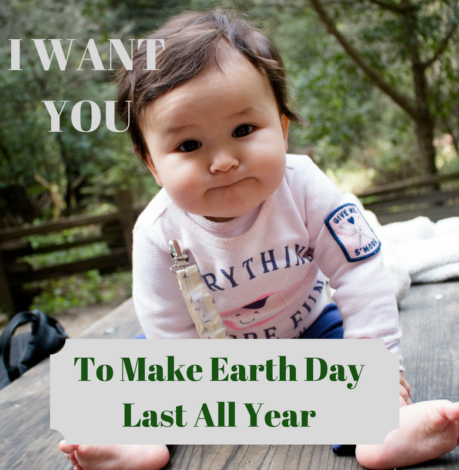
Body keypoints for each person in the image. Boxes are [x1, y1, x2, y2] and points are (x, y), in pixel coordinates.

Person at [59, 10, 459, 470]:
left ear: (283, 128)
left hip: (308, 332)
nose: (224, 160)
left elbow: (359, 272)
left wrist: (381, 369)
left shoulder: (304, 187)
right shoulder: (158, 233)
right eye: (189, 146)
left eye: (243, 131)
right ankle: (133, 441)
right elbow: (169, 330)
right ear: (151, 162)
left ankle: (385, 428)